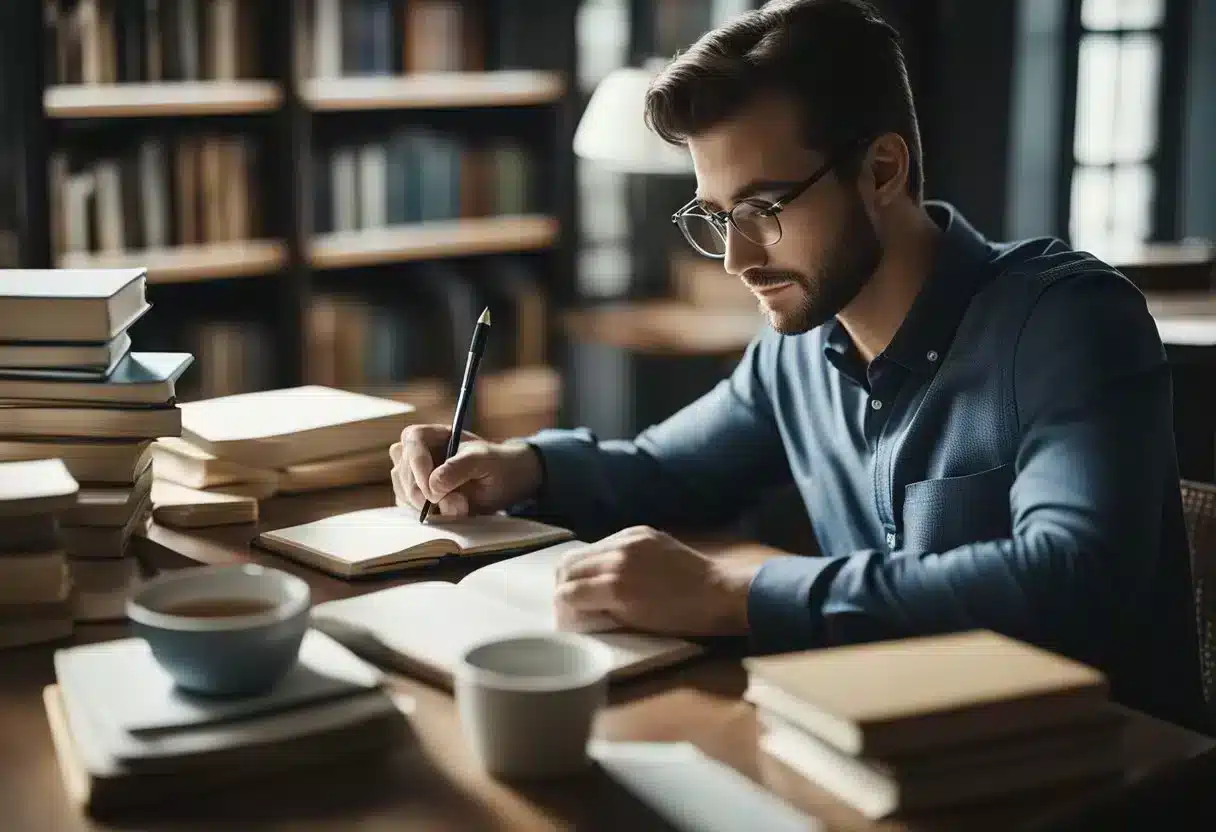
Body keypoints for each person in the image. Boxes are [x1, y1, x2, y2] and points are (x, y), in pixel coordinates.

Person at [390, 0, 1206, 731]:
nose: (737, 259)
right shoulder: (798, 349)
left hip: (1109, 777)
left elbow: (1074, 579)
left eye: (765, 209)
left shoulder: (1067, 320)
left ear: (883, 171)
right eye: (716, 217)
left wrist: (731, 596)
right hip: (888, 744)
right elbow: (668, 471)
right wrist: (517, 465)